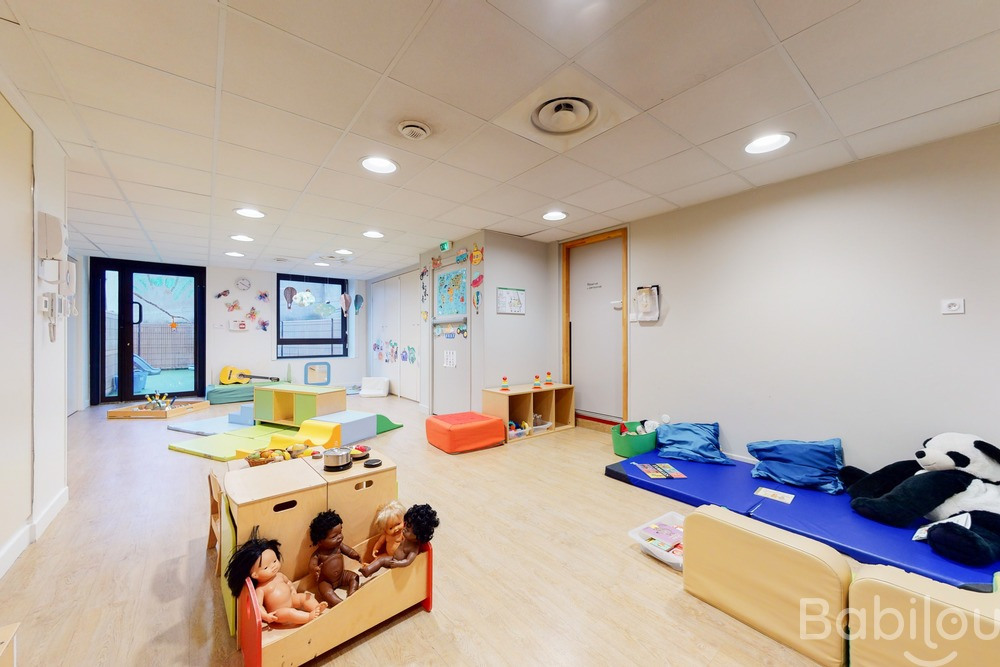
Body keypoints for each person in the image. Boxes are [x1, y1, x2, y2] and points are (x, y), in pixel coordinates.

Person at [225, 528, 327, 626]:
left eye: (274, 561)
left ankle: (316, 607)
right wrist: (266, 616)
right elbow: (258, 606)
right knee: (290, 613)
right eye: (266, 567)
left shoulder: (279, 575)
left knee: (305, 597)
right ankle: (308, 617)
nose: (273, 566)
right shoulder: (261, 589)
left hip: (291, 599)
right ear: (255, 575)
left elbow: (288, 582)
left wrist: (292, 590)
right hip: (278, 612)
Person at [360, 504, 439, 578]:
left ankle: (368, 570)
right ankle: (369, 569)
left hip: (395, 562)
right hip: (393, 558)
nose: (404, 529)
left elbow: (408, 561)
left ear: (418, 536)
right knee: (379, 559)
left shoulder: (414, 548)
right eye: (405, 525)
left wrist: (398, 563)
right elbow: (381, 542)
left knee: (381, 560)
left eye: (408, 530)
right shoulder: (407, 538)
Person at [308, 510, 361, 607]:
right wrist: (314, 569)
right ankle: (340, 604)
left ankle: (352, 593)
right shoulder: (318, 554)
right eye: (334, 536)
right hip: (326, 581)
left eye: (340, 532)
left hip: (342, 576)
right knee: (326, 593)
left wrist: (355, 555)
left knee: (355, 577)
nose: (339, 537)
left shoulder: (339, 546)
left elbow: (349, 551)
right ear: (320, 542)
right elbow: (312, 565)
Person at [364, 500, 405, 567]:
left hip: (399, 558)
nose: (396, 529)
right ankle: (370, 566)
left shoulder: (402, 533)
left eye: (398, 524)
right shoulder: (386, 535)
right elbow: (379, 542)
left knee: (382, 561)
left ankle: (371, 567)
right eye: (391, 528)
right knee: (379, 558)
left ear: (403, 520)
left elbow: (408, 544)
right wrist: (375, 549)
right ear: (385, 529)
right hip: (388, 555)